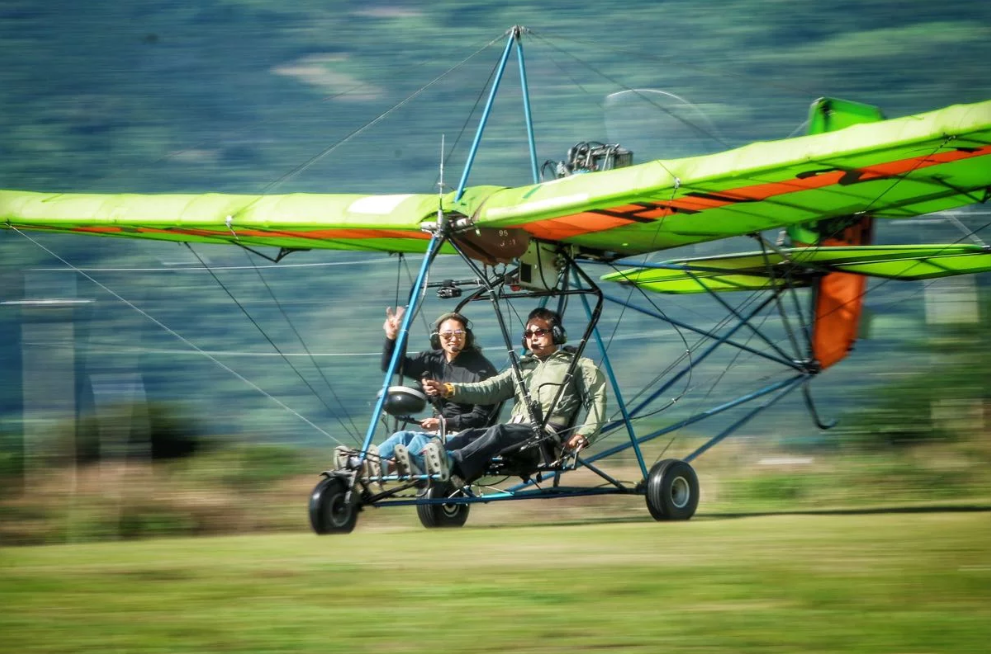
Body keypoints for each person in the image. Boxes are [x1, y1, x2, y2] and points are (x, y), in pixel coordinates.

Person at [422, 307, 607, 485]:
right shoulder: (521, 369)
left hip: (545, 440)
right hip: (517, 433)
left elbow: (596, 401)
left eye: (540, 332)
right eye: (528, 334)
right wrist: (448, 389)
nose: (533, 338)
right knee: (469, 435)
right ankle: (424, 463)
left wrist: (585, 434)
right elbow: (488, 389)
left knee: (499, 431)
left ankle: (452, 462)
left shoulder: (578, 366)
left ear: (557, 334)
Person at [369, 308, 498, 476]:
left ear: (467, 336)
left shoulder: (481, 370)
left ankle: (388, 467)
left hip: (469, 436)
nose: (454, 339)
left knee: (421, 440)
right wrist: (391, 338)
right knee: (401, 437)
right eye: (447, 335)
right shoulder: (432, 360)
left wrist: (443, 423)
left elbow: (481, 418)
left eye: (459, 334)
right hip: (441, 432)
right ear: (437, 337)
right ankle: (365, 463)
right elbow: (391, 365)